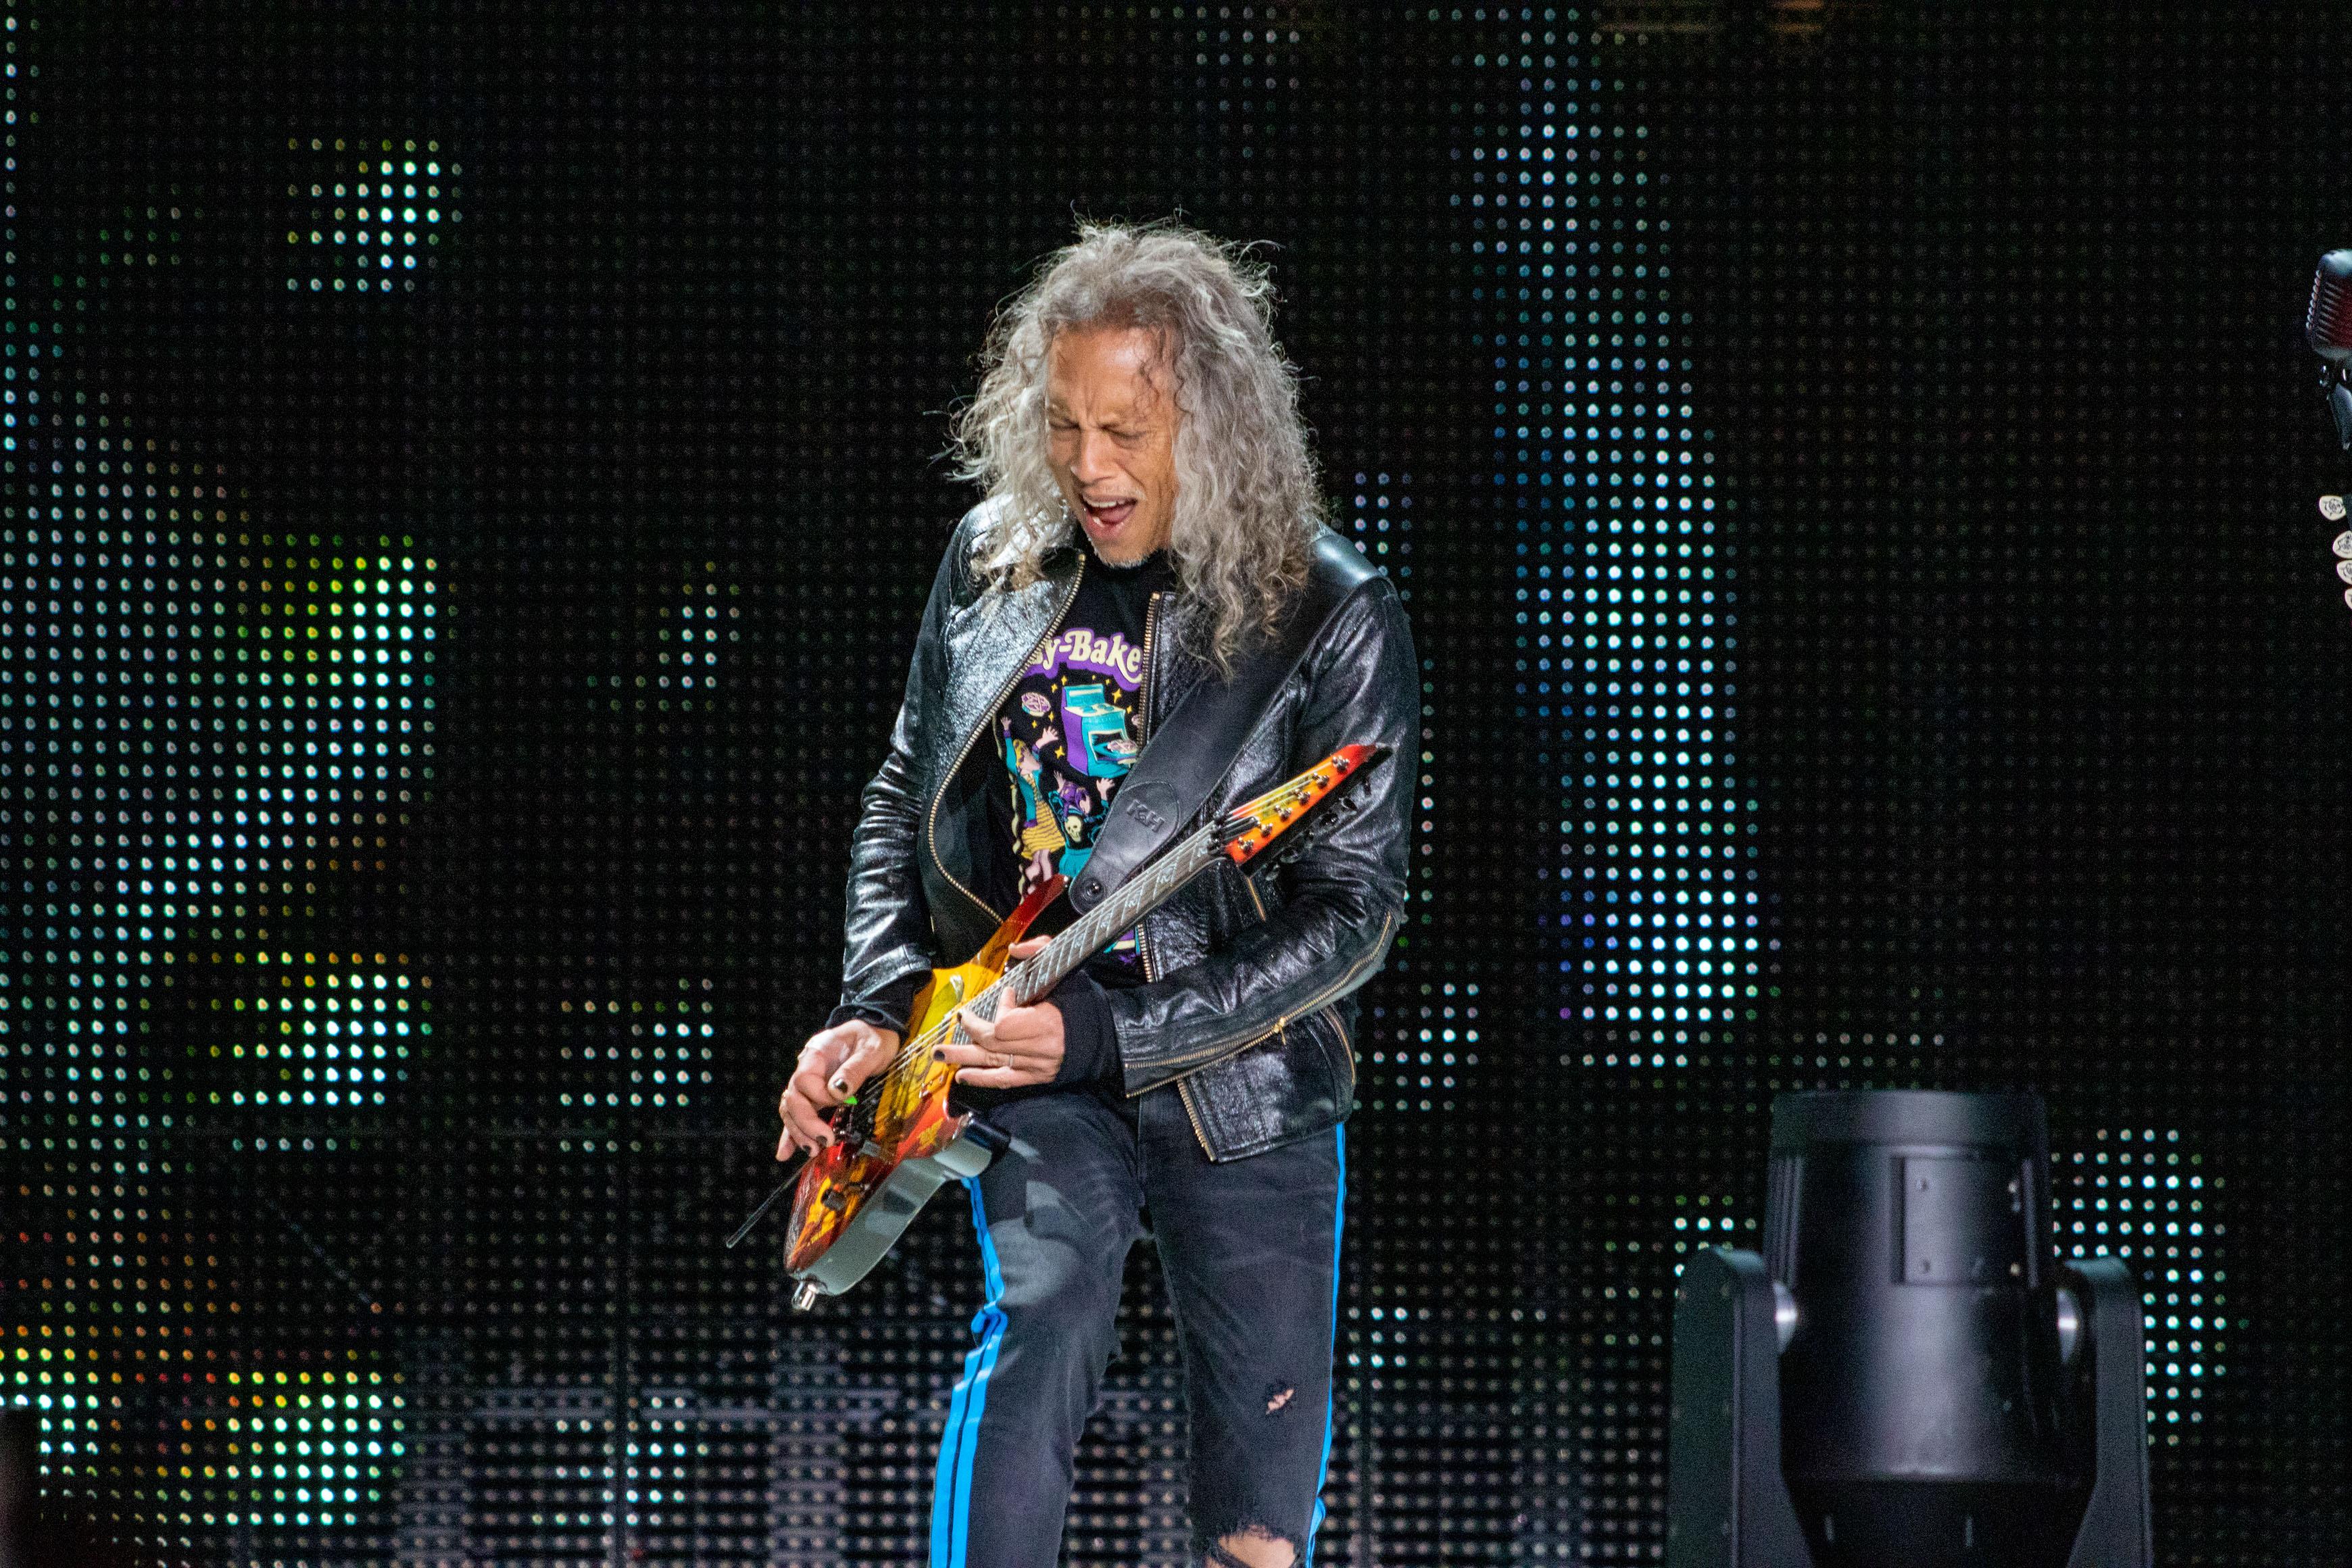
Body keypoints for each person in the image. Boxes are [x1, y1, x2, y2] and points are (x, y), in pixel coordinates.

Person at [775, 220, 1417, 1568]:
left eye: (1125, 431)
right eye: (1064, 424)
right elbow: (904, 793)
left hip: (1240, 1077)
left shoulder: (1330, 611)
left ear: (1216, 427)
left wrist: (1114, 1034)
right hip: (1021, 1042)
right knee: (1046, 1310)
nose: (1087, 465)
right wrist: (878, 1004)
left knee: (1262, 1472)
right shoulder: (993, 561)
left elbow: (1352, 910)